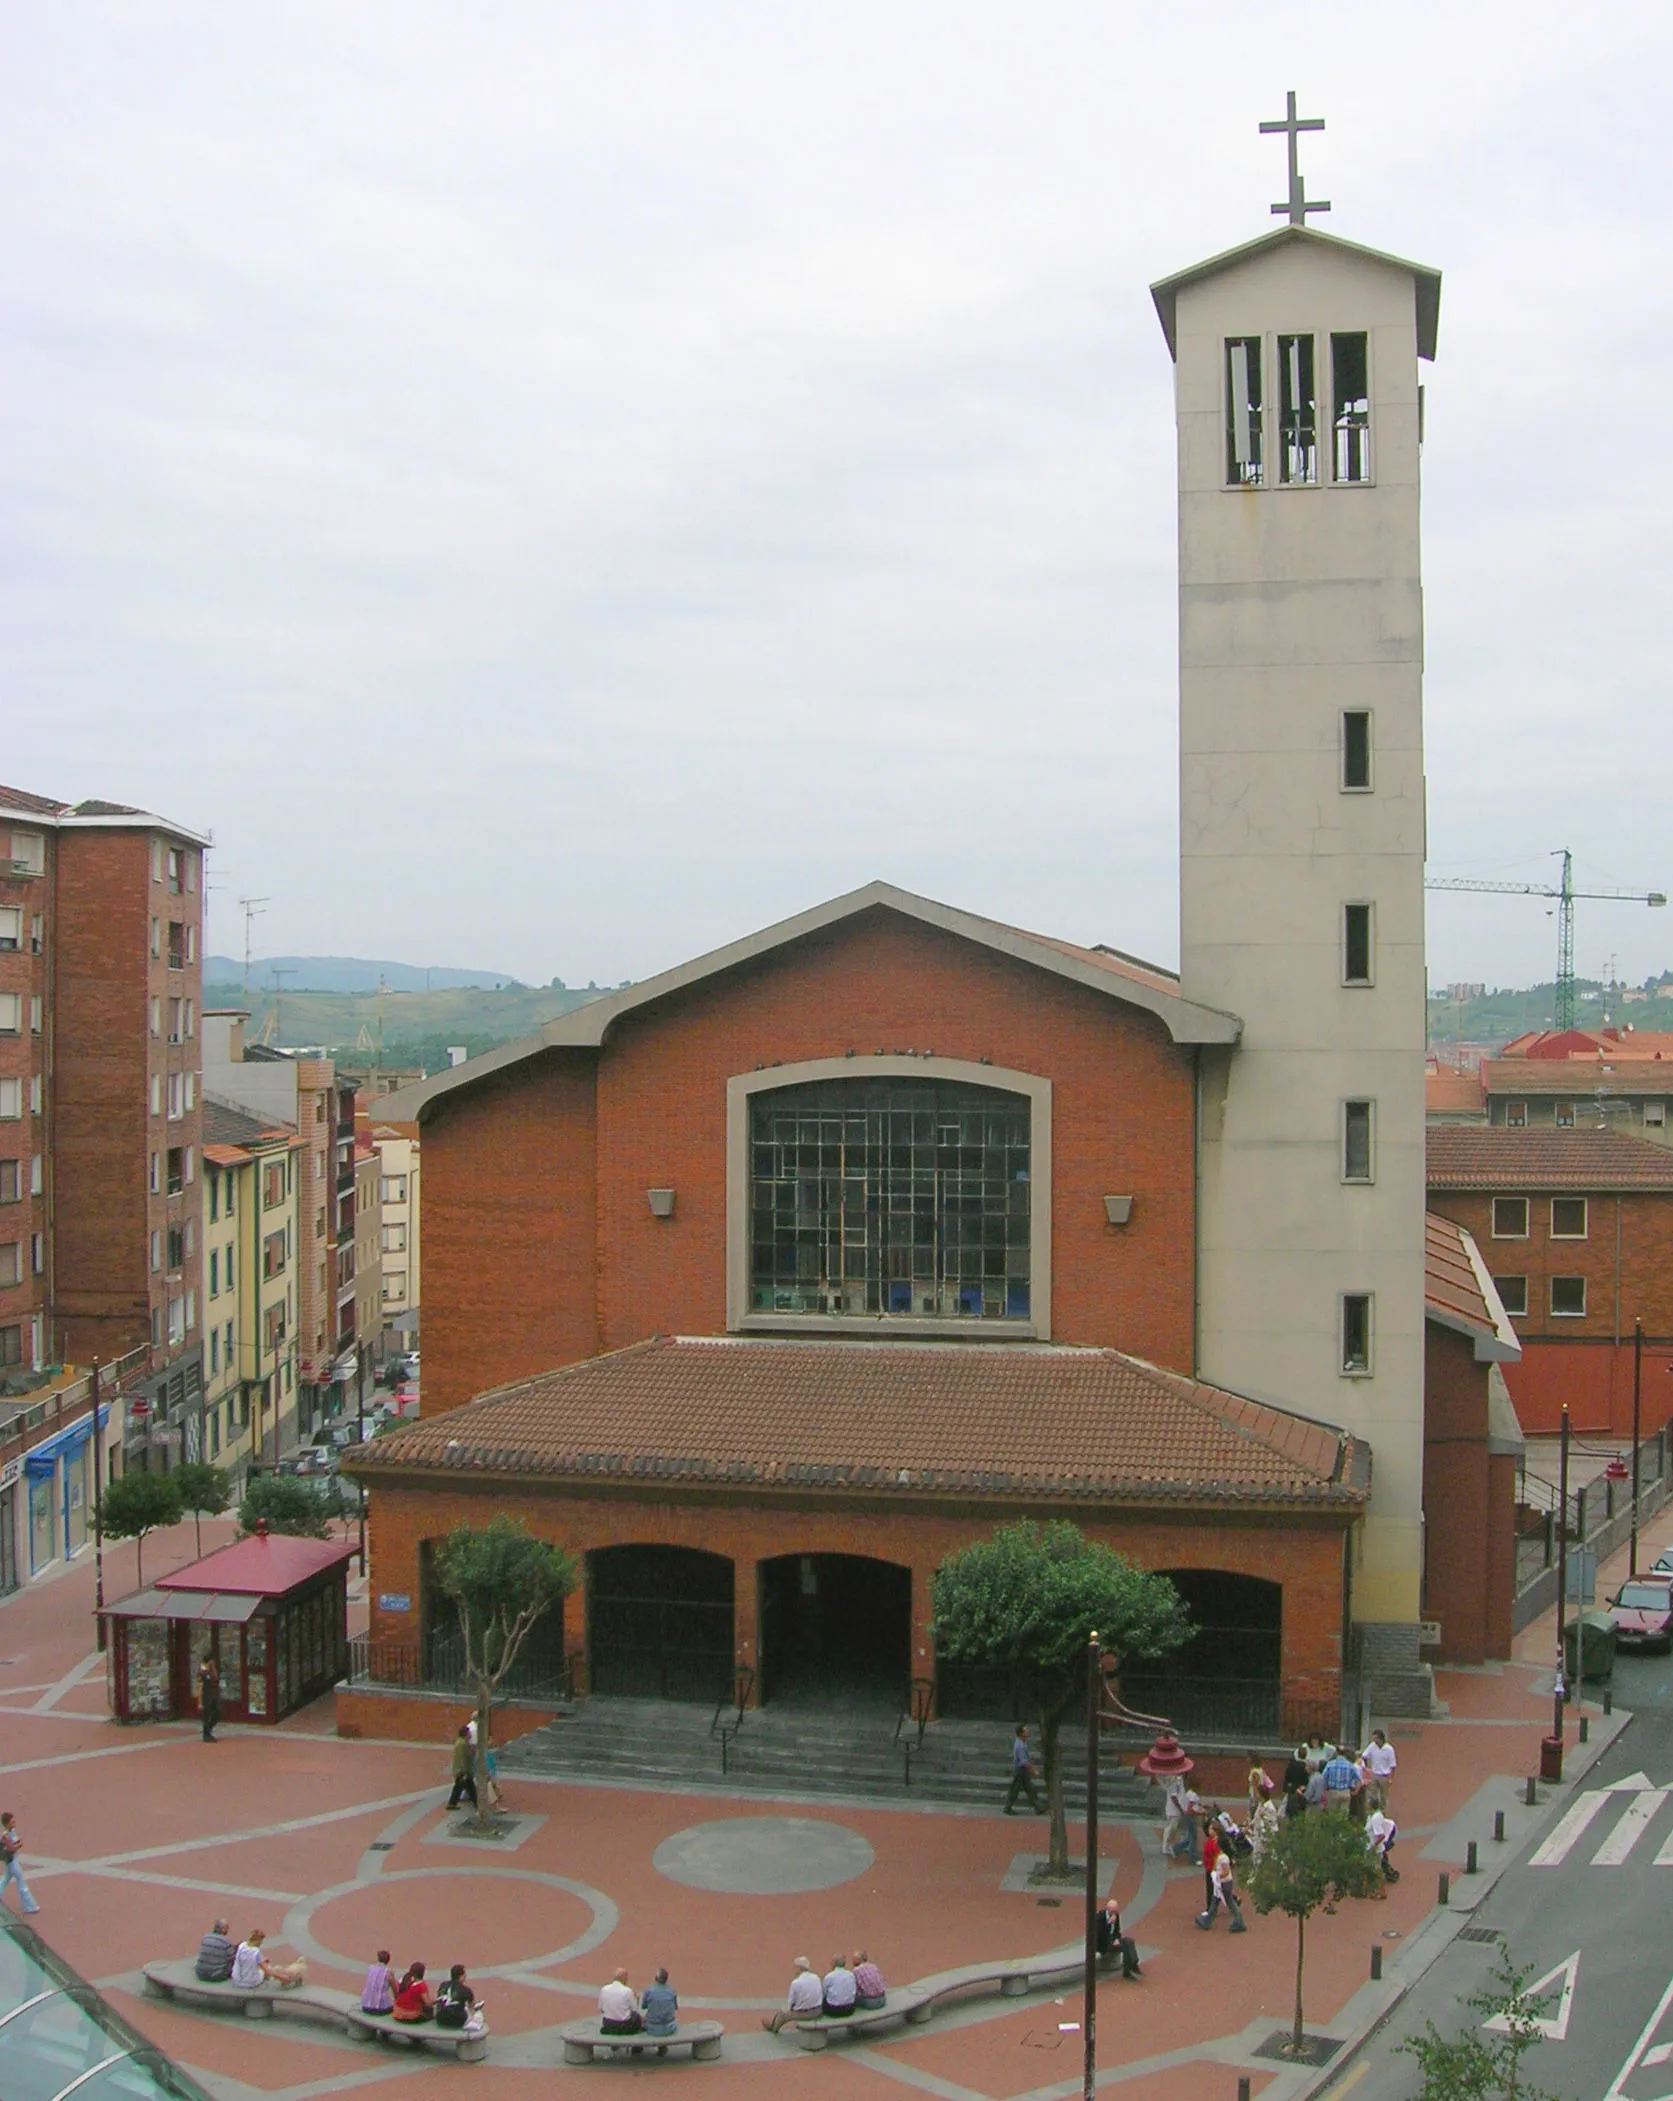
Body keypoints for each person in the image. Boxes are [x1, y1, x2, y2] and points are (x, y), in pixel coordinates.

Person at [762, 1956, 825, 2032]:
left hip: (804, 2014)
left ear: (799, 1968)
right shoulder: (816, 1977)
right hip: (817, 2011)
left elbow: (790, 2003)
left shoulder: (796, 1983)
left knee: (782, 2014)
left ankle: (774, 2028)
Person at [0, 1812, 41, 1916]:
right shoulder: (5, 1837)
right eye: (12, 1822)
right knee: (21, 1883)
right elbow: (13, 1848)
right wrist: (18, 1844)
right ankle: (29, 1906)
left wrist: (17, 1844)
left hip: (13, 1860)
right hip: (12, 1862)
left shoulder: (11, 1833)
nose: (14, 1824)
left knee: (5, 1880)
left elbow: (16, 1844)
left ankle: (29, 1905)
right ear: (6, 1824)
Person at [1095, 1897, 1142, 1978]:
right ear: (1107, 1909)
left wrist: (1117, 1939)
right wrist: (1109, 1924)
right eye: (1112, 1911)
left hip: (1113, 1941)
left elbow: (1117, 1931)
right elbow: (1099, 1935)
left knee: (1128, 1941)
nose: (1114, 1913)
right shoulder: (1099, 1917)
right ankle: (1131, 1968)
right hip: (1103, 1944)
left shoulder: (1116, 1915)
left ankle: (1133, 1962)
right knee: (1126, 1948)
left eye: (1115, 1911)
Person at [1004, 1725, 1045, 1815]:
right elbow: (1024, 1762)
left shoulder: (1020, 1742)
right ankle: (1008, 1807)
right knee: (1016, 1789)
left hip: (1022, 1770)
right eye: (1026, 1731)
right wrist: (1034, 1770)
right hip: (1020, 1770)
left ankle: (1039, 1807)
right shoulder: (1021, 1746)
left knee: (1030, 1789)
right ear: (1021, 1733)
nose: (1028, 1732)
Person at [1163, 1776, 1202, 1863]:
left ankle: (1176, 1848)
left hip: (1187, 1816)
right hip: (1190, 1817)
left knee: (1190, 1836)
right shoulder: (1193, 1795)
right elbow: (1190, 1809)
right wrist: (1200, 1812)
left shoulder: (1187, 1793)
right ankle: (1191, 1856)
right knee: (1192, 1837)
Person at [434, 1964, 482, 2030]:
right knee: (469, 2011)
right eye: (464, 1974)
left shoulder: (443, 1985)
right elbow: (472, 2006)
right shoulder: (466, 1990)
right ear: (461, 1976)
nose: (466, 1976)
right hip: (457, 2021)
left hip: (440, 2018)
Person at [1361, 1729, 1398, 1813]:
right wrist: (1366, 1768)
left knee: (1384, 1796)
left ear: (1380, 1739)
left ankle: (1383, 1813)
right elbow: (1364, 1756)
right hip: (1375, 1774)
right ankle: (1372, 1811)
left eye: (1375, 1739)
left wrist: (1391, 1778)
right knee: (1372, 1795)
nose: (1374, 1741)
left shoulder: (1389, 1749)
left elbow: (1393, 1765)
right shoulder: (1372, 1746)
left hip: (1384, 1775)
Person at [599, 1968, 642, 2036]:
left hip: (608, 2025)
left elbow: (601, 2009)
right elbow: (634, 2009)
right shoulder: (627, 1991)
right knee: (637, 2017)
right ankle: (637, 2046)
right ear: (623, 1978)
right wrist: (637, 1999)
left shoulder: (604, 1989)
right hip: (623, 2027)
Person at [640, 1966, 677, 2043]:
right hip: (669, 2027)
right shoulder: (672, 1990)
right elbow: (675, 2007)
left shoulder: (649, 1990)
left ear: (656, 1978)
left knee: (641, 2019)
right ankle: (662, 2047)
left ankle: (638, 2047)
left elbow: (643, 2006)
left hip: (652, 2027)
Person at [1321, 1745, 1360, 1813]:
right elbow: (1358, 1779)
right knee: (1344, 1814)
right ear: (1345, 1753)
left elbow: (1323, 1778)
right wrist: (1356, 1791)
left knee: (1332, 1814)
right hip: (1345, 1791)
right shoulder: (1350, 1765)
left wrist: (1325, 1788)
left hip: (1333, 1791)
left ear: (1336, 1752)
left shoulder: (1330, 1764)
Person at [447, 1726, 478, 1811]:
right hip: (462, 1771)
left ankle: (452, 1803)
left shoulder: (461, 1742)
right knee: (471, 1788)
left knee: (458, 1787)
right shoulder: (462, 1744)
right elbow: (463, 1758)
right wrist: (465, 1772)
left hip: (459, 1770)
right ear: (465, 1734)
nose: (470, 1734)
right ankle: (477, 1804)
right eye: (469, 1733)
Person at [195, 1918, 236, 1982]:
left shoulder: (205, 1938)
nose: (228, 1929)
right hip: (216, 1976)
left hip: (200, 1973)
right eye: (227, 1927)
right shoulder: (226, 1942)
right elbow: (233, 1959)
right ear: (223, 1929)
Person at [1367, 1808, 1400, 1884]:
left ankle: (1388, 1869)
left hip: (1389, 1831)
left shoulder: (1375, 1820)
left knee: (1381, 1850)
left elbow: (1381, 1836)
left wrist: (1374, 1846)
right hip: (1380, 1832)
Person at [822, 1953, 858, 2018]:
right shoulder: (851, 1975)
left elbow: (824, 1993)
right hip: (850, 2010)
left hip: (834, 2011)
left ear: (834, 1964)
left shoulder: (829, 1976)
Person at [1281, 1747, 1309, 1820]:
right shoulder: (1306, 1766)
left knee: (1290, 1810)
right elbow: (1306, 1780)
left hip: (1291, 1789)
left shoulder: (1291, 1765)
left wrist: (1285, 1789)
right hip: (1301, 1791)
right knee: (1300, 1811)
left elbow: (1287, 1777)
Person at [198, 1657, 221, 1744]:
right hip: (206, 1697)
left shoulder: (214, 1672)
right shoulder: (203, 1672)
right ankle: (206, 1735)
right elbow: (199, 1686)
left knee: (218, 1712)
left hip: (214, 1696)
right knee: (206, 1716)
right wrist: (200, 1702)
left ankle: (209, 1729)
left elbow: (216, 1681)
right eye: (210, 1663)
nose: (212, 1664)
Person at [1245, 1755, 1274, 1821]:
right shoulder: (1260, 1770)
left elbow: (1255, 1784)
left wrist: (1255, 1795)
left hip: (1255, 1793)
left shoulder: (1255, 1772)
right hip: (1258, 1792)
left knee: (1253, 1809)